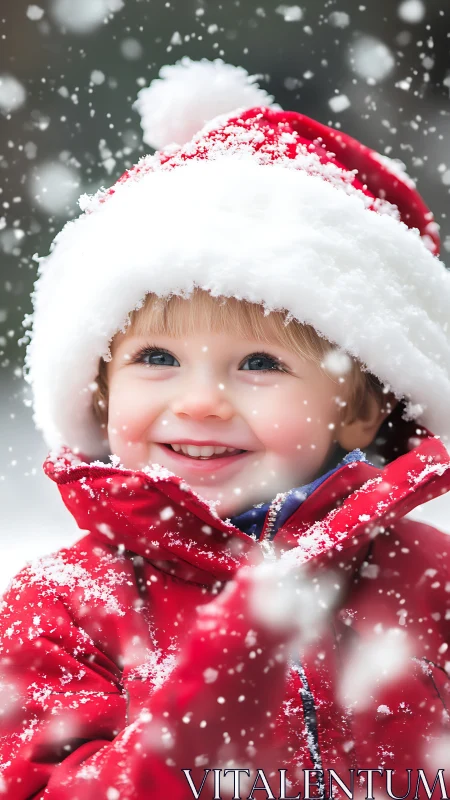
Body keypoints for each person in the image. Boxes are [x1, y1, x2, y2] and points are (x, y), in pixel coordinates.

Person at [1, 57, 450, 800]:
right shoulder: (64, 606)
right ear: (102, 387)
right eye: (156, 357)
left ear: (363, 408)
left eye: (258, 363)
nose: (201, 402)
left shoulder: (430, 585)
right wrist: (207, 699)